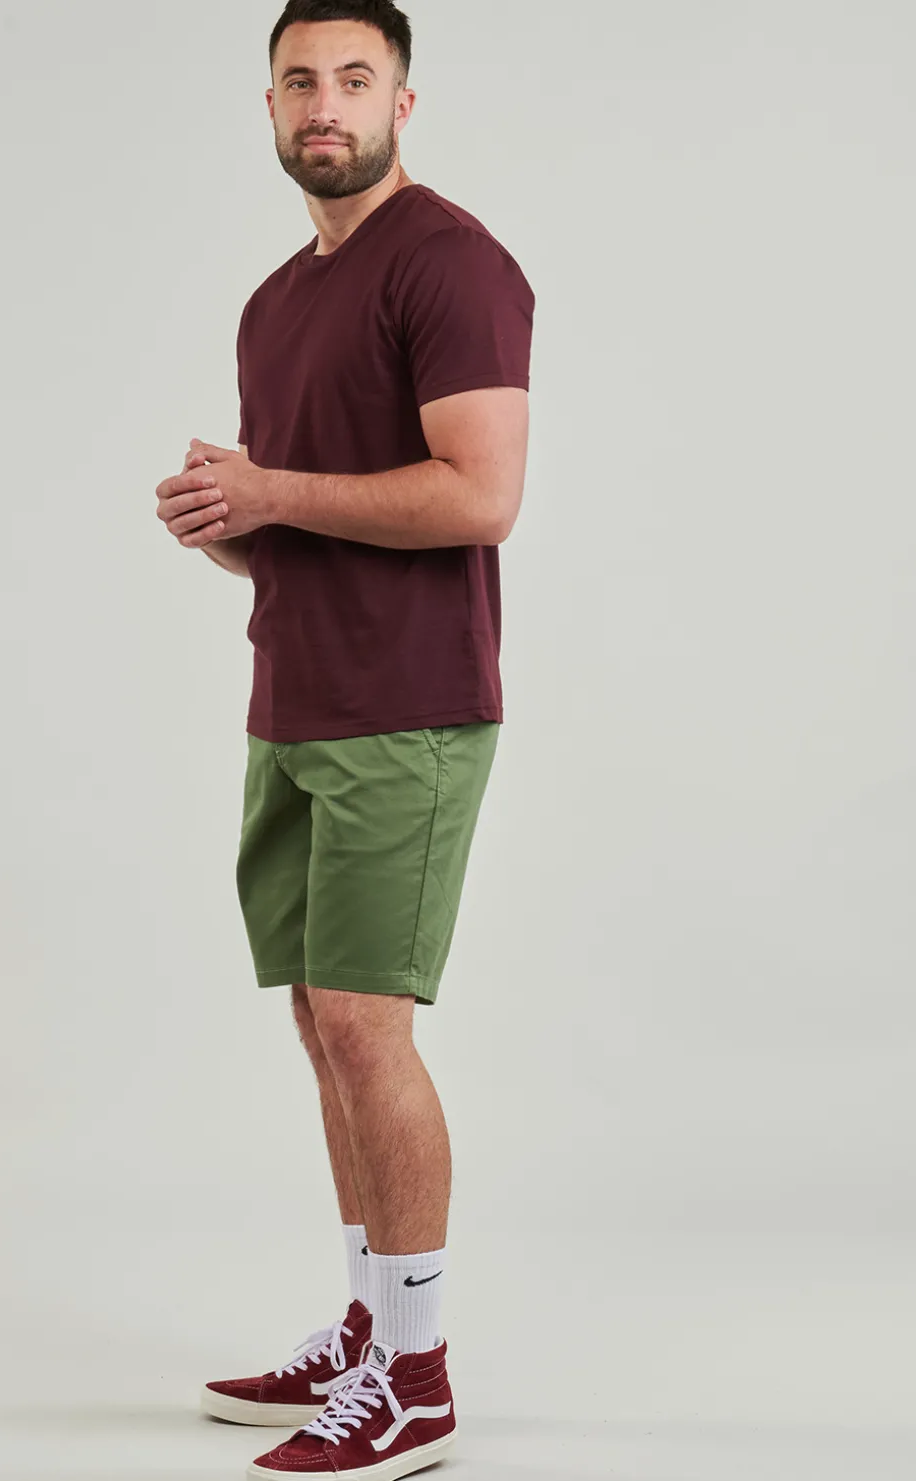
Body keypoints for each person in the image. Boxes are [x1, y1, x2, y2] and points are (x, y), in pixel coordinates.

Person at [154, 3, 535, 1475]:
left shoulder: (450, 262)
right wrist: (229, 524)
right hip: (296, 697)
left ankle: (418, 1378)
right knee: (323, 1023)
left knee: (371, 1026)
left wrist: (275, 491)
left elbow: (479, 495)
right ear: (268, 107)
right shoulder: (274, 302)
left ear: (402, 103)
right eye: (300, 80)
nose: (326, 102)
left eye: (354, 78)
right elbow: (313, 519)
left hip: (409, 707)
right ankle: (371, 1326)